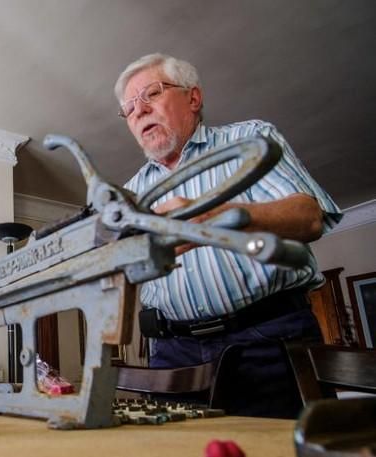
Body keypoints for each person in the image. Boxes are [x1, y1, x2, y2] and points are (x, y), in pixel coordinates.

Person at [114, 53, 342, 418]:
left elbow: (309, 217)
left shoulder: (251, 140)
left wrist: (212, 217)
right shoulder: (129, 197)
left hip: (267, 341)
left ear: (193, 97)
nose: (138, 111)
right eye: (128, 108)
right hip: (173, 354)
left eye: (151, 94)